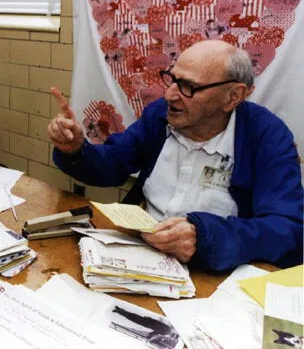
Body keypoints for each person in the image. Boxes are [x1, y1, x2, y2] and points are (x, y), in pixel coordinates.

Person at [47, 40, 303, 271]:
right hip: (141, 255)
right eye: (172, 79)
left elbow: (288, 230)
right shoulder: (160, 115)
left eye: (188, 87)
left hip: (216, 274)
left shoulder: (266, 136)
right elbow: (113, 163)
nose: (170, 95)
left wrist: (203, 238)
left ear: (233, 96)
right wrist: (77, 149)